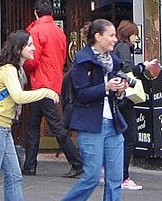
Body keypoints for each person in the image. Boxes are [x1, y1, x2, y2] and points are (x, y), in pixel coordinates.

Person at [0, 30, 59, 201]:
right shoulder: (9, 69)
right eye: (29, 45)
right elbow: (18, 96)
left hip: (1, 129)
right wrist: (45, 92)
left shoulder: (15, 69)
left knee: (14, 176)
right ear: (18, 48)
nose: (34, 48)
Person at [61, 18, 128, 201]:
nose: (115, 39)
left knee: (115, 178)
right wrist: (106, 87)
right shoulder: (82, 60)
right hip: (91, 125)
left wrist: (120, 91)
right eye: (111, 35)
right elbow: (82, 94)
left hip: (113, 124)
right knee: (91, 176)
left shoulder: (114, 61)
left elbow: (114, 96)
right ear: (98, 36)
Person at [22, 0, 83, 178]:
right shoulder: (59, 31)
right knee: (33, 124)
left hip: (40, 84)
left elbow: (32, 60)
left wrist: (22, 66)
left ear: (35, 12)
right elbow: (63, 57)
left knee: (53, 126)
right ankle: (29, 165)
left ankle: (77, 162)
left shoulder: (35, 30)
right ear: (51, 13)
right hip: (54, 81)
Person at [113, 20, 142, 191]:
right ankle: (123, 176)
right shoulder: (123, 48)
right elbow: (128, 70)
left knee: (117, 137)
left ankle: (112, 172)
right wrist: (142, 67)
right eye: (135, 34)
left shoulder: (117, 47)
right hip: (125, 98)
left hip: (118, 99)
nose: (137, 38)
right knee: (130, 137)